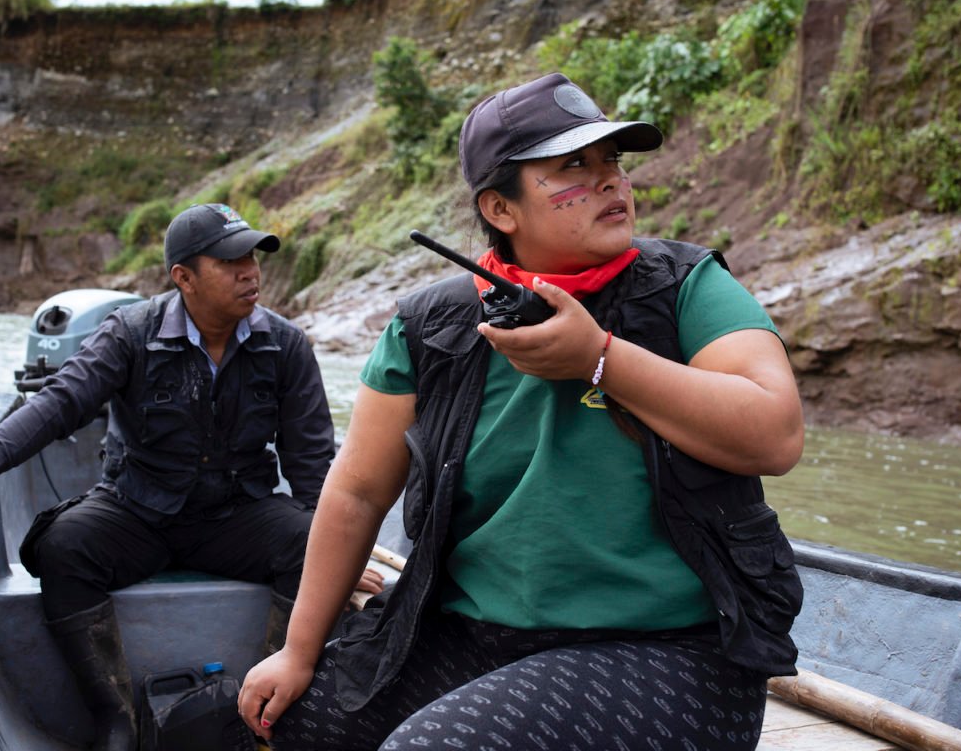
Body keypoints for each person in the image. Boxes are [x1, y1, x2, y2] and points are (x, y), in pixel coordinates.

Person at [236, 73, 806, 751]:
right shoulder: (431, 326)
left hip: (675, 653)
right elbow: (357, 491)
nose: (611, 183)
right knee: (278, 724)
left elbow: (776, 435)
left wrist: (600, 357)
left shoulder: (687, 287)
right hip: (472, 635)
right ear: (501, 211)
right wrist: (299, 652)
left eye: (613, 162)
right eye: (574, 167)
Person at [0, 203, 384, 751]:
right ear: (184, 278)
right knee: (62, 547)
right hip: (138, 511)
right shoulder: (129, 332)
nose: (250, 272)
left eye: (252, 257)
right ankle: (115, 716)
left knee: (309, 548)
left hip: (237, 514)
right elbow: (60, 402)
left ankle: (269, 708)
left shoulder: (285, 344)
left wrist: (337, 553)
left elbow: (312, 463)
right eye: (230, 261)